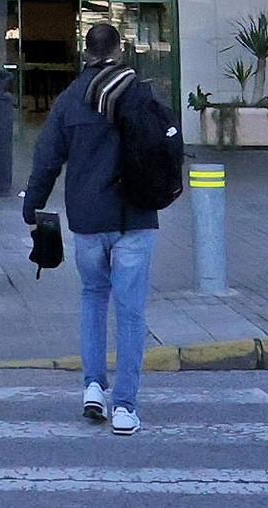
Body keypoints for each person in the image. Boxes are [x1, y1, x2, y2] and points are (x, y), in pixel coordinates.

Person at [22, 22, 158, 436]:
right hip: (135, 218)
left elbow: (47, 157)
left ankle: (93, 388)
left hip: (88, 221)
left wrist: (33, 205)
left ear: (86, 52)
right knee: (131, 313)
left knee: (93, 298)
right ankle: (125, 407)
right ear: (120, 50)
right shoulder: (140, 93)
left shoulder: (69, 100)